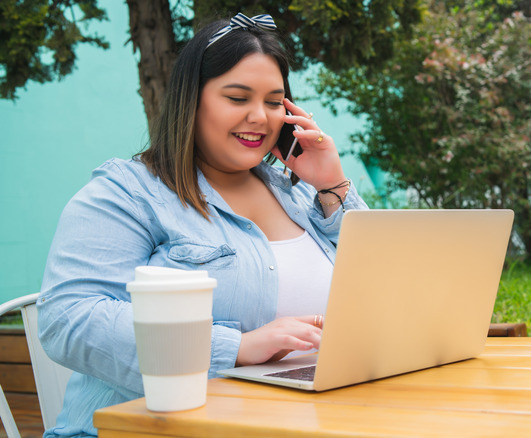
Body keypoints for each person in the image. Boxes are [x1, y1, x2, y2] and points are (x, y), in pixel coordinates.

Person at [37, 13, 368, 437]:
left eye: (273, 102)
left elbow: (381, 290)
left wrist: (332, 185)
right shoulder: (128, 193)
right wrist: (236, 348)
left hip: (295, 424)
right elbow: (68, 318)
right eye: (237, 98)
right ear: (191, 99)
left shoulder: (303, 194)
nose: (261, 117)